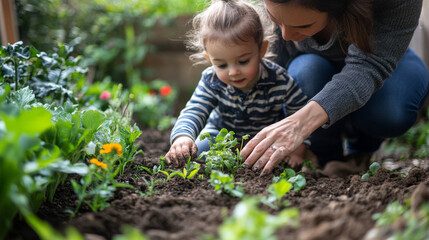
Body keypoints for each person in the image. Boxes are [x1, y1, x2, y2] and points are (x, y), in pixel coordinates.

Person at [241, 0, 429, 176]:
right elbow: (273, 69)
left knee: (390, 112)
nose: (286, 36)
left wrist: (298, 124)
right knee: (307, 71)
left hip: (380, 61)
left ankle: (361, 152)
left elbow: (369, 67)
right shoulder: (285, 29)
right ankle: (324, 157)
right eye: (275, 19)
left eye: (303, 26)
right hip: (315, 66)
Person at [165, 0, 308, 167]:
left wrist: (298, 149)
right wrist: (183, 137)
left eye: (243, 61)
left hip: (264, 140)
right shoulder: (211, 80)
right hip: (220, 136)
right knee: (199, 154)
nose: (233, 72)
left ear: (261, 50)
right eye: (222, 65)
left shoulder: (279, 80)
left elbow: (299, 115)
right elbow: (195, 110)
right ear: (210, 59)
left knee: (280, 162)